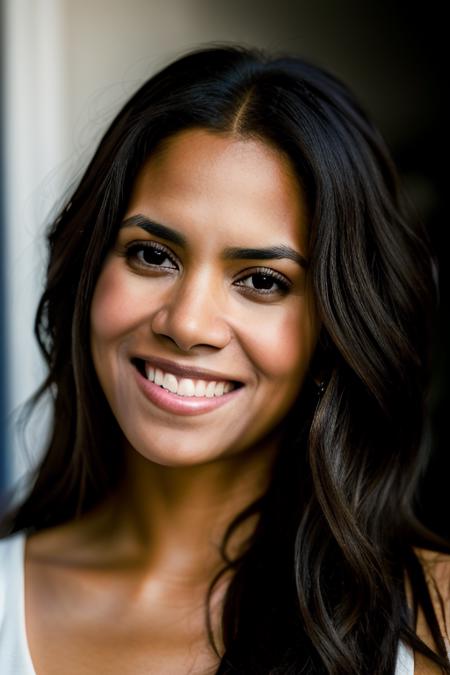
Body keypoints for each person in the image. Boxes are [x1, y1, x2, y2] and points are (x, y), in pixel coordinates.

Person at [0, 44, 448, 675]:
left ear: (333, 331)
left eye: (262, 280)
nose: (186, 324)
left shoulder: (435, 618)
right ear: (88, 274)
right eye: (152, 255)